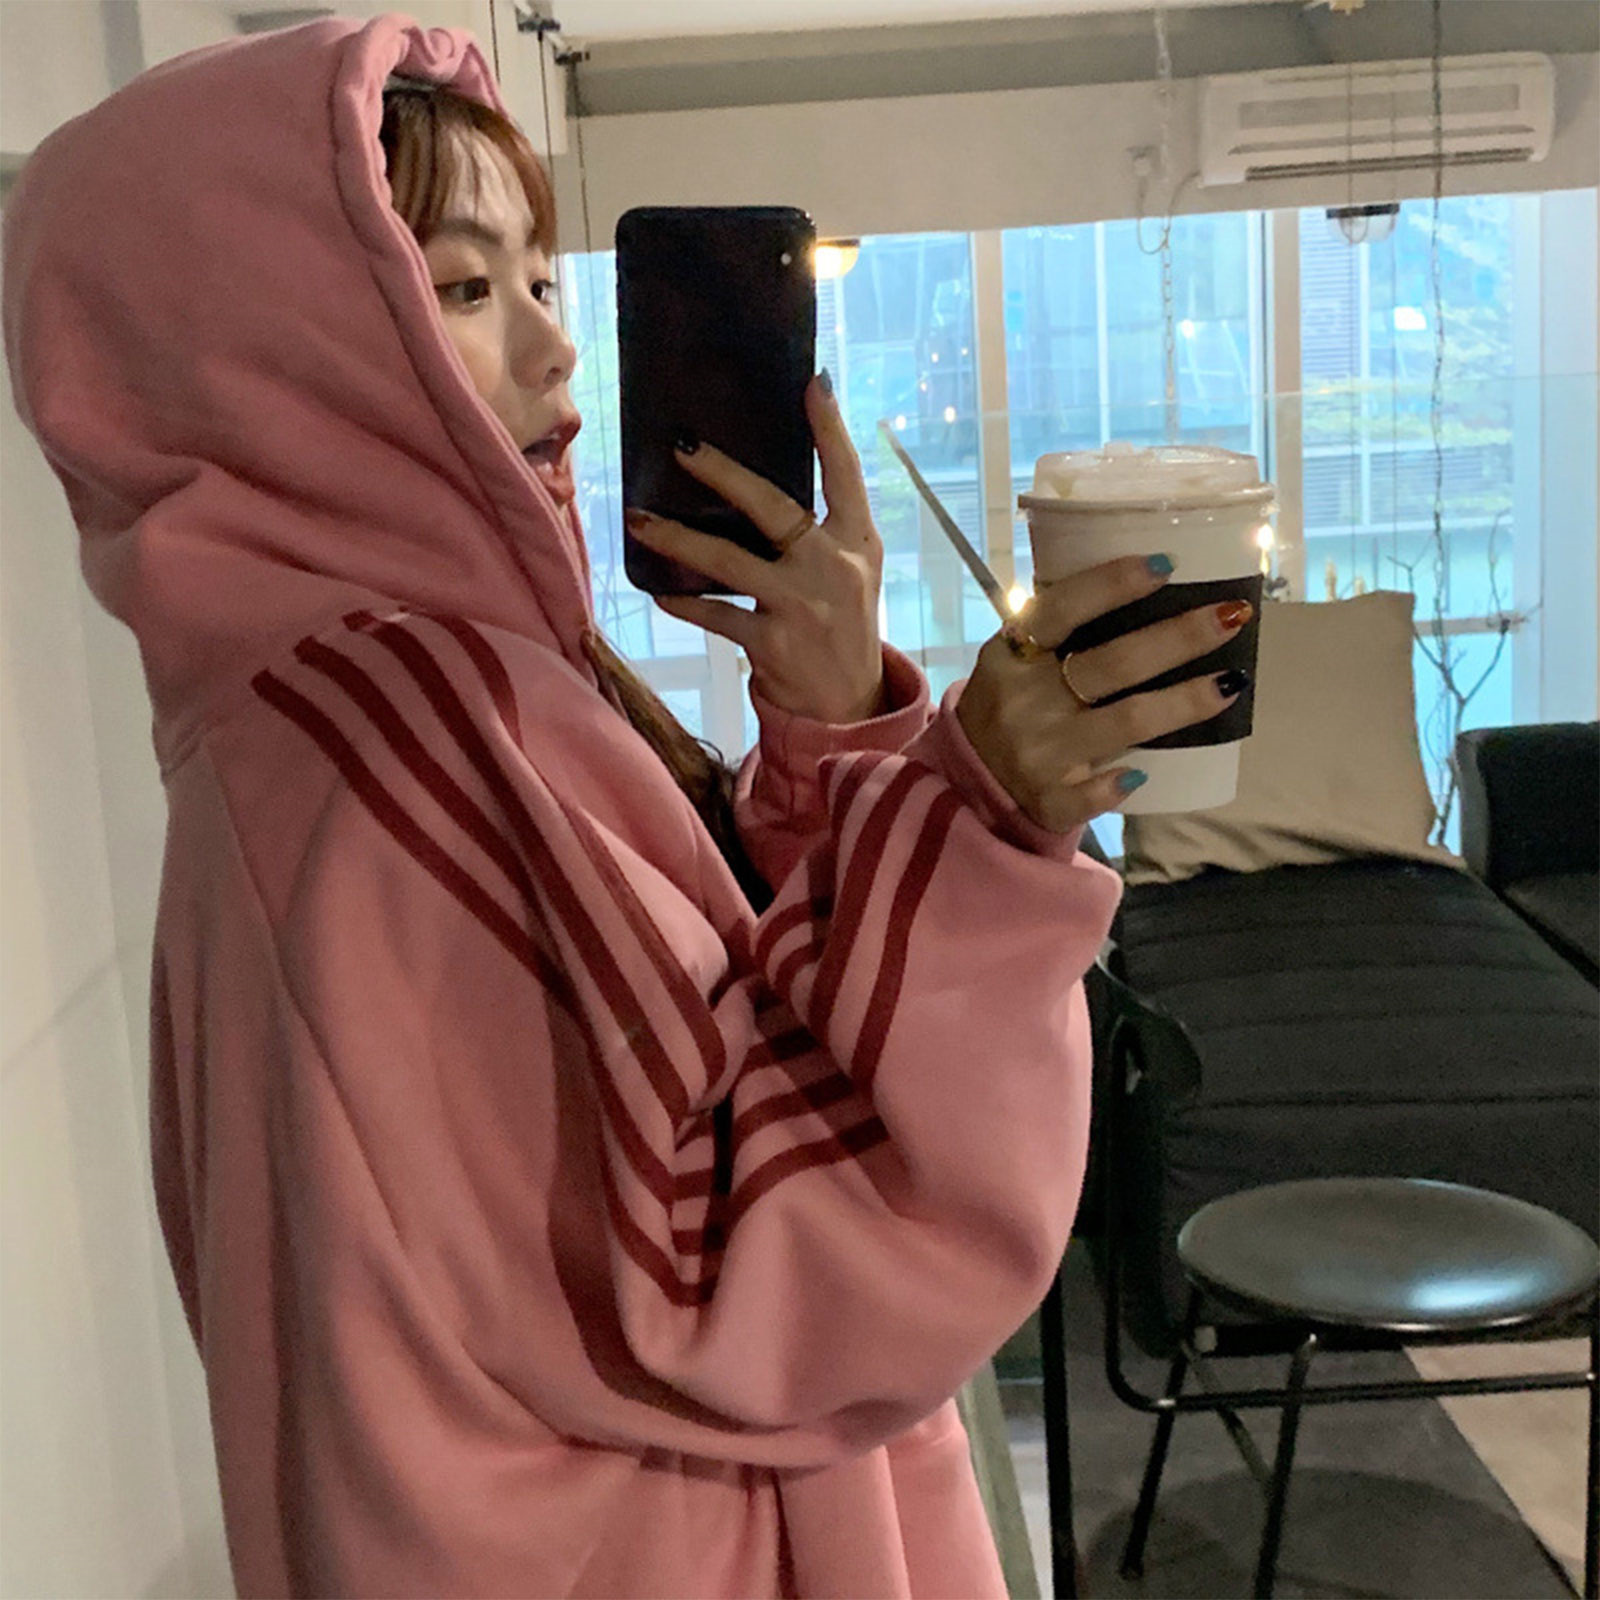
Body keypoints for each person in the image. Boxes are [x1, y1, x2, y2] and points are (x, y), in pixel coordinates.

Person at [2, 13, 1250, 1598]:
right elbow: (765, 1257)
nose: (555, 351)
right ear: (264, 351)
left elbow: (703, 1032)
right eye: (459, 289)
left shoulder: (354, 702)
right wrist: (978, 821)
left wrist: (832, 737)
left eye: (538, 279)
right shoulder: (391, 732)